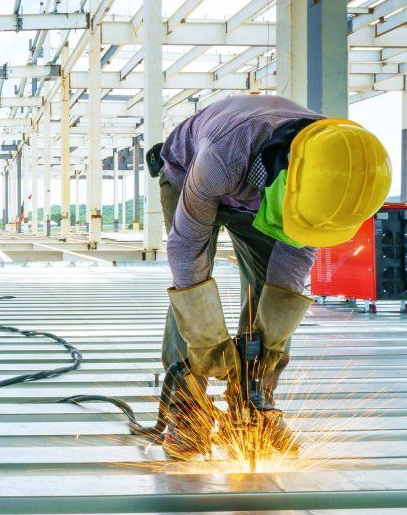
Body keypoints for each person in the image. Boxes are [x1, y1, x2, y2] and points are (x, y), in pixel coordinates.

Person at [152, 94, 391, 459]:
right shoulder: (225, 152)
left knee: (270, 294)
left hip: (266, 192)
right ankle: (189, 407)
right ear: (284, 183)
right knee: (192, 296)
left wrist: (269, 346)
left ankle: (254, 402)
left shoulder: (329, 182)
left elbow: (288, 273)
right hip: (189, 177)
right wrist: (207, 341)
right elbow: (187, 251)